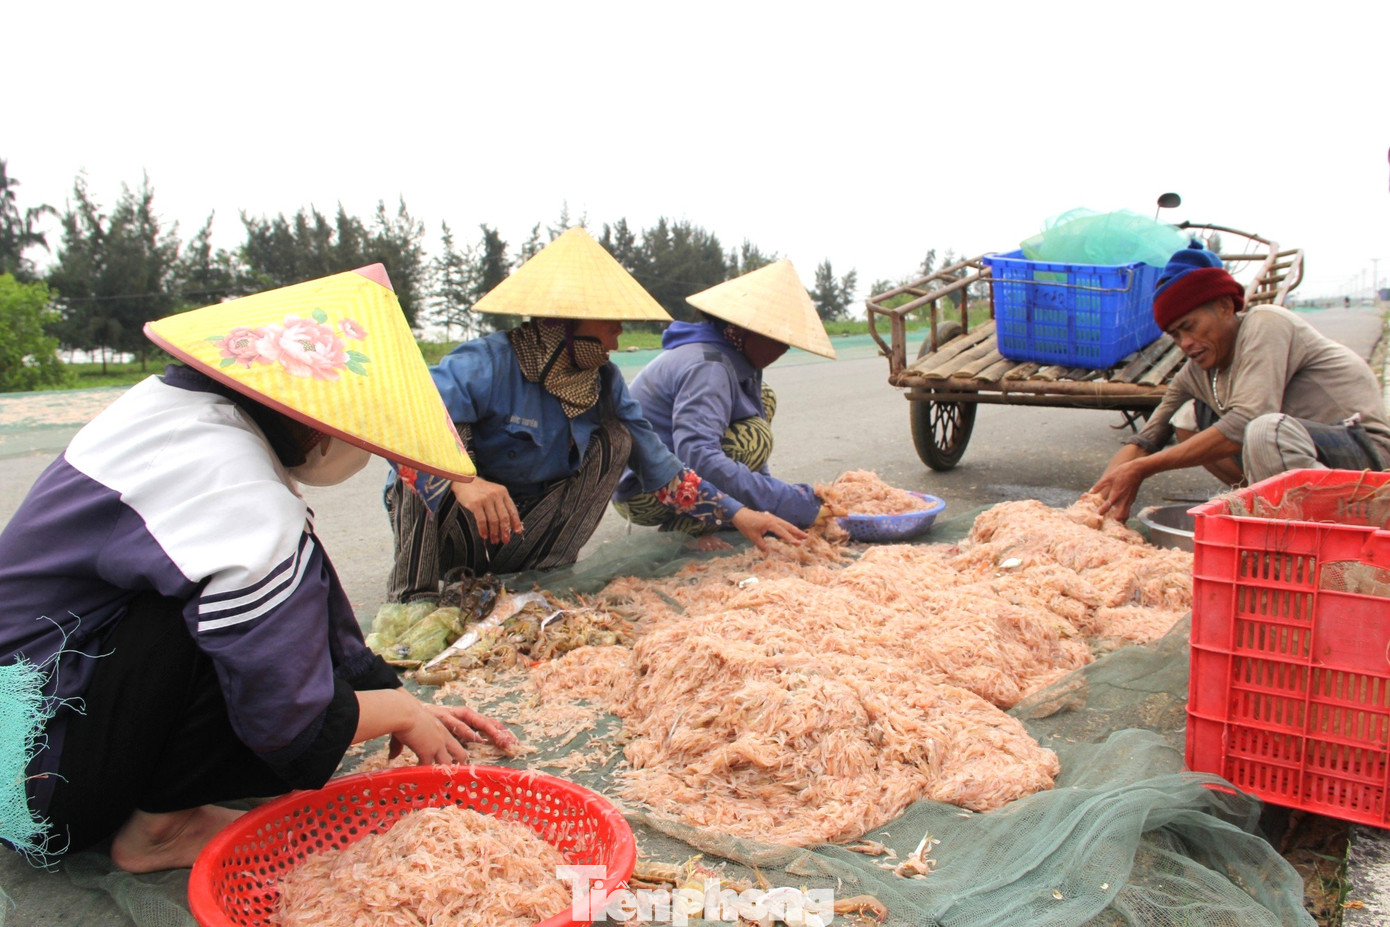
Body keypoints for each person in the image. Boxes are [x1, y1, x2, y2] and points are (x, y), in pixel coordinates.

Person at [0, 266, 515, 874]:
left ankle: (158, 792)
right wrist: (400, 714)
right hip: (39, 779)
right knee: (238, 623)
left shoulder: (171, 410)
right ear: (314, 415)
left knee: (268, 603)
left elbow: (307, 598)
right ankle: (160, 831)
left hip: (35, 727)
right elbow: (287, 717)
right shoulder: (236, 484)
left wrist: (390, 693)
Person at [386, 228, 805, 603]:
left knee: (616, 440)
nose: (618, 335)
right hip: (452, 524)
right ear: (567, 322)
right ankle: (415, 598)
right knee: (420, 459)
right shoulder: (487, 362)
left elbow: (660, 464)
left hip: (515, 527)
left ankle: (541, 574)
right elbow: (408, 421)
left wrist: (738, 513)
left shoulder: (603, 382)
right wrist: (465, 480)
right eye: (610, 322)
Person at [1092, 242, 1390, 521]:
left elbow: (1248, 420)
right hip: (1296, 455)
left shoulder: (1267, 323)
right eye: (1175, 335)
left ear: (1224, 307)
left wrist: (1143, 469)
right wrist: (1094, 503)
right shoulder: (1196, 372)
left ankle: (1331, 526)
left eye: (1189, 327)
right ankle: (1269, 506)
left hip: (1364, 454)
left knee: (1263, 431)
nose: (1185, 343)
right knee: (1188, 419)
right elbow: (1146, 440)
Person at [612, 260, 834, 537]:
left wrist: (772, 504)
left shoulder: (737, 360)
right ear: (744, 330)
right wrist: (786, 502)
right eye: (778, 339)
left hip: (677, 473)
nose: (784, 349)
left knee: (764, 399)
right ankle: (694, 524)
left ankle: (728, 510)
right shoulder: (710, 366)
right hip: (647, 490)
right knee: (756, 435)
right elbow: (697, 456)